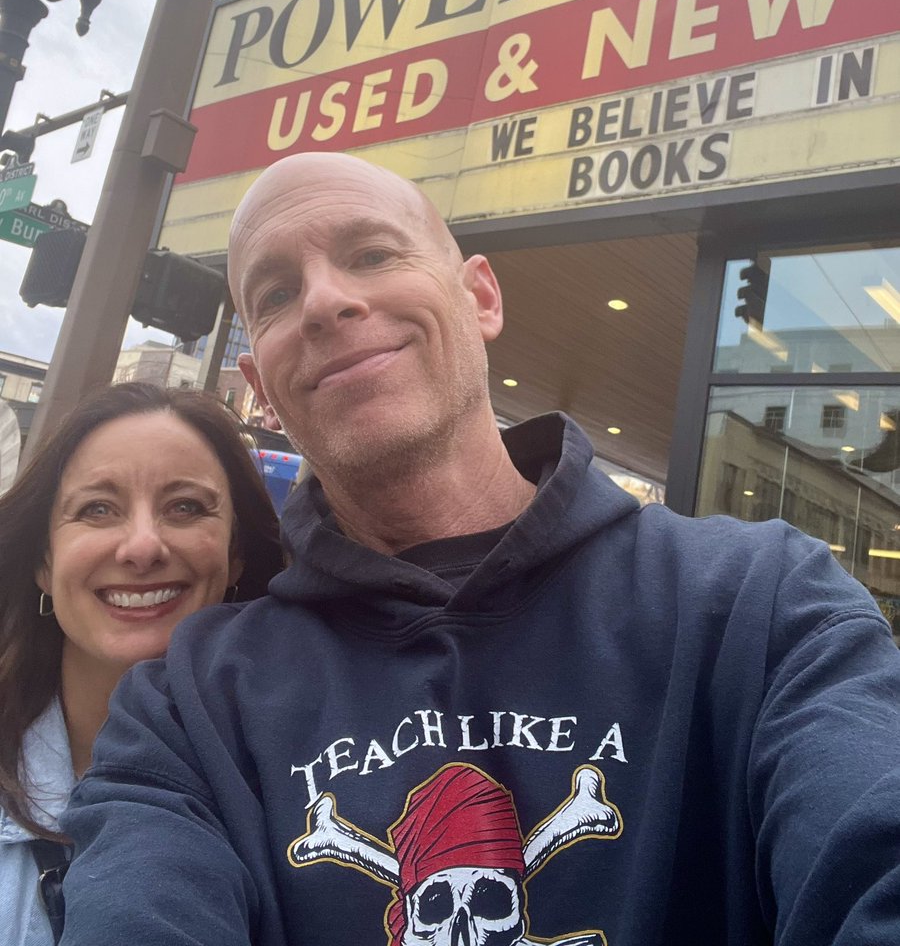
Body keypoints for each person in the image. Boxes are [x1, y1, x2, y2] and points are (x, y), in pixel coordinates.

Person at [60, 154, 900, 946]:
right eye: (276, 294)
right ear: (262, 389)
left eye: (373, 253)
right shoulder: (185, 710)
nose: (323, 302)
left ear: (481, 299)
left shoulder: (763, 606)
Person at [0, 382, 282, 946]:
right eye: (97, 509)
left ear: (236, 558)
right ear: (42, 562)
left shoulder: (308, 786)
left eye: (186, 507)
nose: (142, 547)